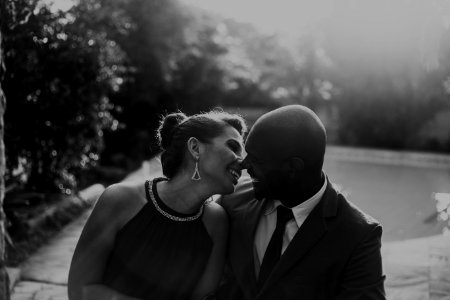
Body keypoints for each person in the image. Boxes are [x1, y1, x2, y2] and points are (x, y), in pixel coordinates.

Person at [68, 110, 247, 300]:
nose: (242, 162)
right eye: (233, 147)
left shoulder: (217, 222)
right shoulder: (120, 199)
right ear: (195, 148)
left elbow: (204, 297)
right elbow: (81, 289)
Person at [216, 105, 386, 300]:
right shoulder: (233, 198)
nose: (245, 166)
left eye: (257, 160)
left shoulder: (359, 235)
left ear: (293, 168)